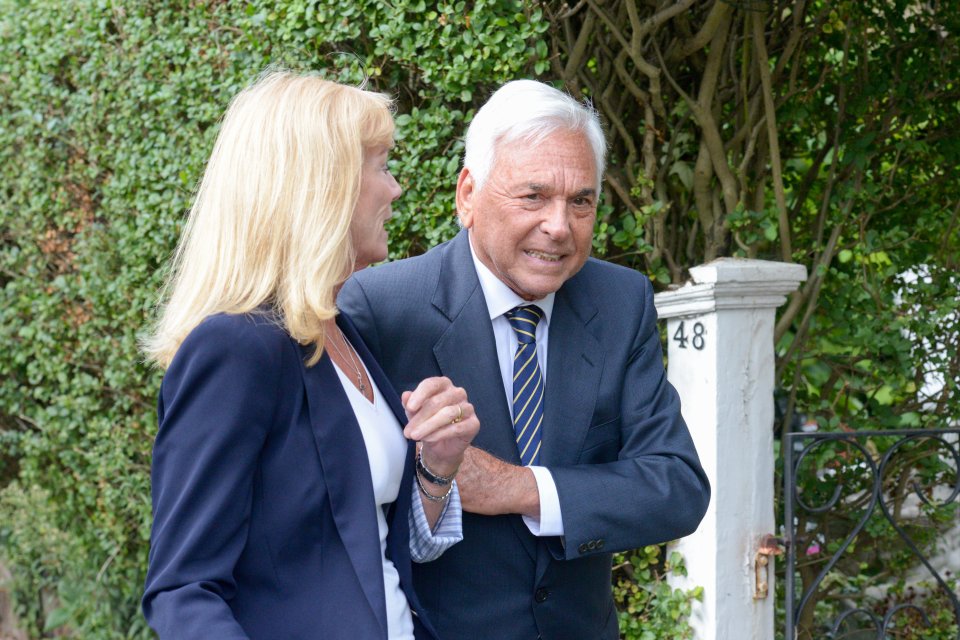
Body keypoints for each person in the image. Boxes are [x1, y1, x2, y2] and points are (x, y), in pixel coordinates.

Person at [339, 79, 711, 639]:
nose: (559, 226)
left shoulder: (619, 301)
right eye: (533, 196)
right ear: (468, 196)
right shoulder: (381, 309)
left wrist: (520, 487)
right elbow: (343, 512)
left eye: (580, 201)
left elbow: (677, 486)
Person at [140, 71, 480, 640]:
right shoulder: (235, 348)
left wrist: (436, 469)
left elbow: (363, 545)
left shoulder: (338, 332)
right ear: (325, 184)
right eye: (381, 165)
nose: (395, 188)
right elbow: (183, 591)